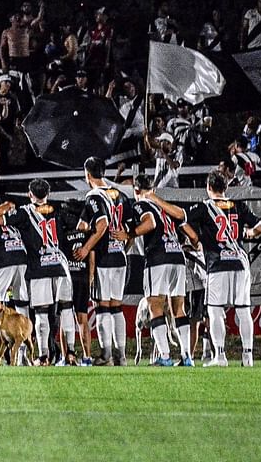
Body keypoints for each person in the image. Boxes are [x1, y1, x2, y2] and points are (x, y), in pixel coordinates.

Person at [147, 171, 261, 367]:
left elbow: (179, 215)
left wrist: (155, 198)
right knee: (244, 311)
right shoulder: (239, 206)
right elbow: (260, 228)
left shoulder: (205, 207)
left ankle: (220, 356)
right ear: (225, 188)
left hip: (218, 264)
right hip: (241, 263)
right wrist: (247, 233)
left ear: (208, 188)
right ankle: (248, 356)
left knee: (215, 310)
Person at [0, 179, 77, 366]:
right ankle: (70, 353)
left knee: (42, 313)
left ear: (30, 194)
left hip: (39, 266)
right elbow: (80, 226)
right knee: (67, 309)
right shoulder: (57, 209)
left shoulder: (25, 212)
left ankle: (44, 356)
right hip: (61, 265)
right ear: (48, 194)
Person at [113, 175, 198, 366]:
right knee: (179, 308)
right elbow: (185, 222)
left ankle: (166, 357)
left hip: (158, 258)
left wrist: (129, 233)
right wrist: (195, 243)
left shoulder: (140, 205)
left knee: (155, 306)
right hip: (177, 256)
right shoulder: (164, 206)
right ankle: (187, 357)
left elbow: (149, 223)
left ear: (136, 190)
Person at [74, 156, 131, 366]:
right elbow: (130, 228)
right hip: (120, 256)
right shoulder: (121, 195)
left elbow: (102, 224)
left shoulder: (94, 196)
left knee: (102, 306)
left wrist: (86, 247)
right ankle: (121, 356)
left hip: (104, 256)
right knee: (116, 307)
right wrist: (125, 244)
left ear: (87, 174)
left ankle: (106, 355)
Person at [59, 200, 94, 366]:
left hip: (67, 278)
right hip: (82, 276)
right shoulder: (86, 231)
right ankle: (87, 357)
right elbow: (91, 254)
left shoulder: (61, 232)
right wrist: (91, 276)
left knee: (64, 319)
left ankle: (66, 357)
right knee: (83, 319)